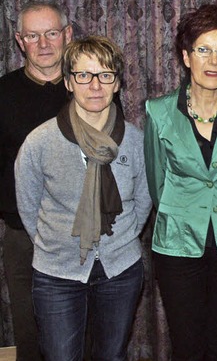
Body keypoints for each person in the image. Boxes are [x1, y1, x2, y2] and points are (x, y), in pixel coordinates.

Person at [14, 35, 151, 360]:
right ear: (68, 82)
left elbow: (144, 200)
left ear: (117, 83)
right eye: (83, 75)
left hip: (120, 271)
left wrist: (120, 239)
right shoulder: (40, 141)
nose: (95, 85)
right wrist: (58, 242)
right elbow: (27, 204)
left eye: (105, 75)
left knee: (111, 355)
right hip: (57, 274)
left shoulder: (134, 140)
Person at [144, 4, 217, 360]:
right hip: (178, 245)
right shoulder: (158, 111)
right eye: (203, 50)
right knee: (187, 345)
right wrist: (184, 212)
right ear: (186, 56)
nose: (213, 61)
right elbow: (157, 184)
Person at [0, 1, 72, 361]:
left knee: (83, 333)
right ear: (19, 40)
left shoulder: (91, 88)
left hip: (82, 235)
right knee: (31, 335)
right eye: (32, 35)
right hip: (24, 237)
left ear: (67, 35)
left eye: (52, 33)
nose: (43, 43)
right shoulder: (3, 93)